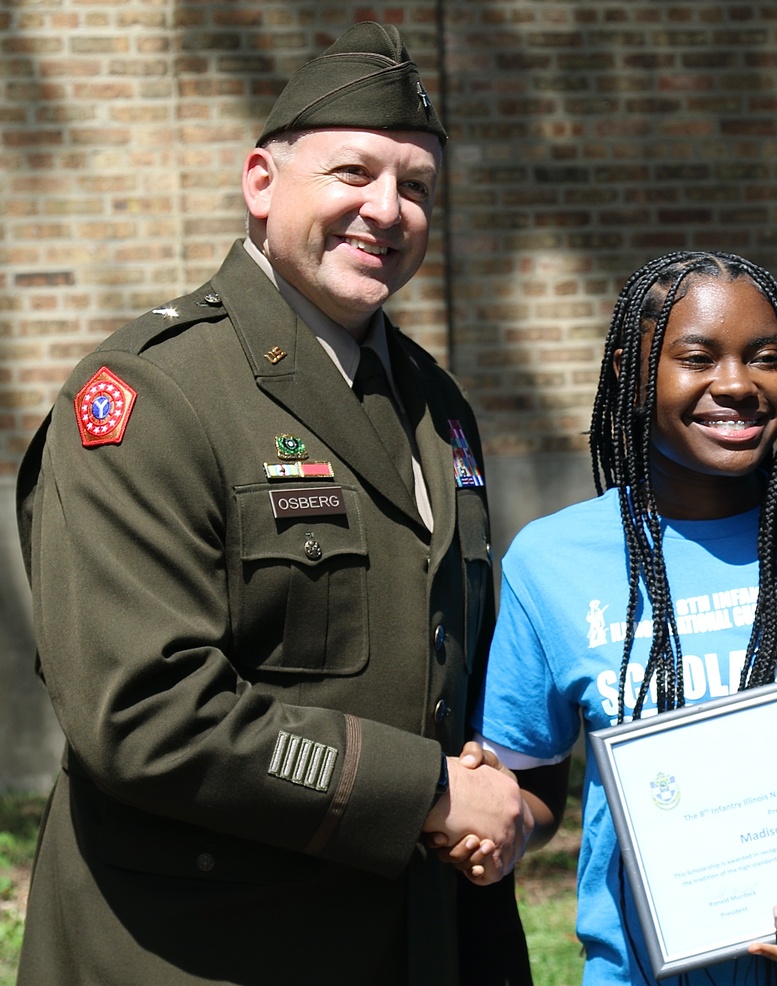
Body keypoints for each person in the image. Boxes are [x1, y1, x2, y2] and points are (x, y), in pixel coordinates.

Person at [15, 21, 533, 986]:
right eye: (353, 174)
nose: (387, 209)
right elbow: (146, 712)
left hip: (409, 942)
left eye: (416, 187)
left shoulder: (436, 402)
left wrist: (495, 789)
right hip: (208, 947)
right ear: (262, 182)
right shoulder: (152, 398)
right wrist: (425, 791)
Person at [458, 251, 777, 985]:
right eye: (697, 357)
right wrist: (497, 826)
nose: (736, 384)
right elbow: (533, 788)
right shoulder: (551, 563)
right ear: (628, 374)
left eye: (764, 358)